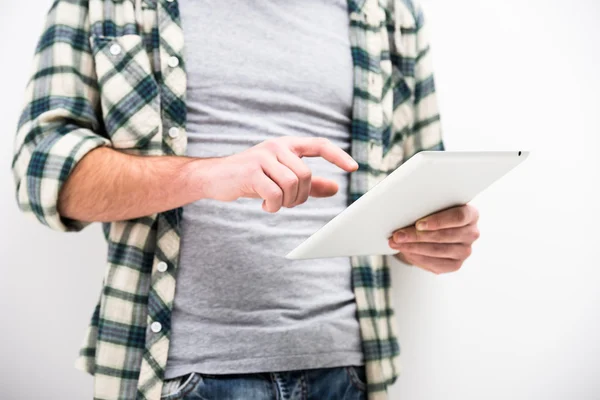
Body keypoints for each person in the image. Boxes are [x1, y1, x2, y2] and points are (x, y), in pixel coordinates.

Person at [11, 0, 480, 399]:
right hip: (178, 376)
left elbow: (423, 189)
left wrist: (440, 238)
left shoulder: (390, 12)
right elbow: (40, 172)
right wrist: (207, 174)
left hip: (346, 371)